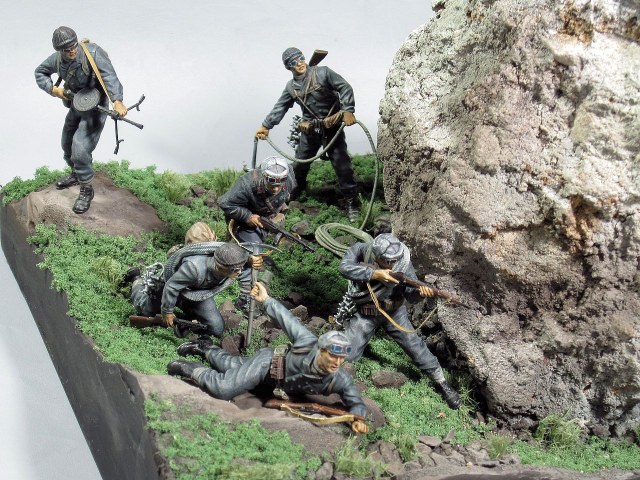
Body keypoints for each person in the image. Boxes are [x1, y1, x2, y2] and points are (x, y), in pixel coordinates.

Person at [168, 282, 369, 433]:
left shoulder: (339, 379)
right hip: (268, 364)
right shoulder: (307, 343)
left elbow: (356, 402)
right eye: (333, 356)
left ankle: (205, 347)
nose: (337, 363)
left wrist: (359, 419)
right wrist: (266, 300)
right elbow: (287, 320)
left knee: (228, 364)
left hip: (275, 386)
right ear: (321, 350)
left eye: (341, 358)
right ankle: (191, 368)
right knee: (223, 388)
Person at [338, 233, 462, 409]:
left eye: (395, 259)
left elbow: (410, 296)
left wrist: (421, 294)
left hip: (395, 313)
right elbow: (344, 268)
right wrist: (374, 274)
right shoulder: (362, 250)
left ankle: (442, 383)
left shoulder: (403, 262)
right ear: (377, 257)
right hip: (366, 313)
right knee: (348, 354)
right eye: (388, 261)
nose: (394, 263)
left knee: (415, 346)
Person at [255, 47, 360, 221]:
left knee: (342, 165)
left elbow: (345, 87)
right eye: (293, 62)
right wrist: (266, 125)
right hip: (310, 131)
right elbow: (280, 107)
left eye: (301, 58)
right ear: (288, 67)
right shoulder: (291, 87)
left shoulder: (323, 72)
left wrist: (348, 109)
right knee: (299, 165)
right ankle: (294, 192)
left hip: (331, 127)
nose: (299, 63)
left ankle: (351, 201)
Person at [34, 26, 128, 214]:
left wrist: (117, 101)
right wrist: (54, 90)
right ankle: (76, 174)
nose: (71, 51)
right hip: (77, 103)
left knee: (80, 147)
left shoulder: (92, 53)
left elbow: (109, 76)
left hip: (96, 105)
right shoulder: (57, 60)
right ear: (59, 50)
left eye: (73, 46)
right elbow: (40, 72)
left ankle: (86, 189)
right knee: (67, 143)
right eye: (66, 49)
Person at [129, 241, 261, 338]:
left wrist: (249, 260)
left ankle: (183, 322)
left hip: (197, 294)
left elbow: (236, 257)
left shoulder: (229, 265)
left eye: (240, 268)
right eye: (235, 269)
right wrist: (167, 311)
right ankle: (136, 280)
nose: (239, 272)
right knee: (145, 310)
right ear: (221, 267)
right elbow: (171, 286)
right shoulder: (194, 268)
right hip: (170, 289)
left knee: (216, 328)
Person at [218, 156, 295, 312]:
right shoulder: (246, 184)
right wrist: (247, 217)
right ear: (263, 176)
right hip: (244, 222)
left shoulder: (289, 177)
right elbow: (225, 203)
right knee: (254, 255)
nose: (275, 189)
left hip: (268, 218)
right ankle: (246, 297)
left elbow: (285, 193)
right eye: (271, 183)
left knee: (264, 243)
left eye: (279, 184)